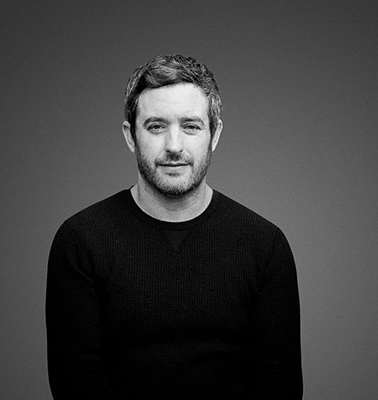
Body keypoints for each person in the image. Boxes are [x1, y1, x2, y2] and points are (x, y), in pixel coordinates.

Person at [46, 54, 303, 399]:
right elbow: (76, 384)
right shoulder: (81, 241)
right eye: (156, 126)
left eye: (191, 126)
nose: (174, 146)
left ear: (214, 134)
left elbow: (280, 387)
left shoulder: (265, 246)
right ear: (131, 136)